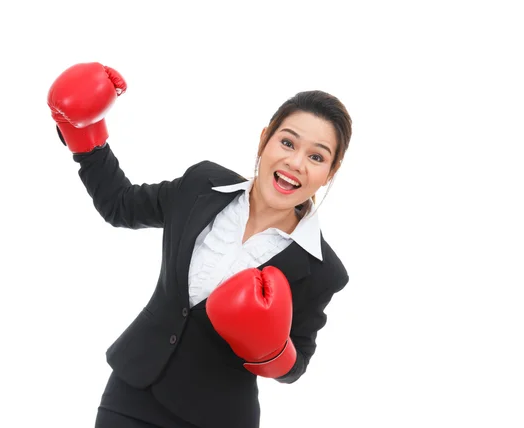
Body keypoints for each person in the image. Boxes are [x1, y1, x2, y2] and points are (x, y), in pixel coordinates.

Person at [47, 62, 352, 428]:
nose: (295, 162)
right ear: (264, 139)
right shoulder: (201, 185)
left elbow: (296, 364)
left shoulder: (323, 270)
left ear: (329, 173)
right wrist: (83, 135)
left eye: (316, 156)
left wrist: (273, 350)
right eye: (287, 142)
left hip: (216, 417)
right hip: (131, 392)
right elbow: (121, 205)